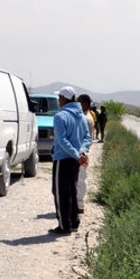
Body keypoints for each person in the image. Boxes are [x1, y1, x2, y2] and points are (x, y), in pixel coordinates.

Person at [50, 86, 90, 236]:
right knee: (72, 190)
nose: (58, 100)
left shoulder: (60, 116)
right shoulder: (81, 116)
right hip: (75, 160)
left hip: (63, 159)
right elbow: (87, 137)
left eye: (59, 98)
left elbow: (62, 140)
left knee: (60, 192)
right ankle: (74, 222)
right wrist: (82, 152)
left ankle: (64, 225)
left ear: (63, 98)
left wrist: (76, 154)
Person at [76, 94, 94, 213]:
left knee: (80, 179)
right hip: (82, 152)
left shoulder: (85, 118)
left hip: (81, 153)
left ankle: (79, 205)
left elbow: (86, 139)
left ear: (85, 104)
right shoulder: (86, 117)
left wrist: (81, 153)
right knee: (80, 178)